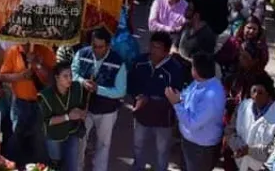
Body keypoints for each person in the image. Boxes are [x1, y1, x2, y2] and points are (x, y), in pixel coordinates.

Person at [128, 31, 185, 171]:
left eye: (158, 47)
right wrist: (138, 96)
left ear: (166, 51)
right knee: (138, 146)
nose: (153, 50)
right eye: (152, 46)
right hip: (141, 116)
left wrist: (150, 100)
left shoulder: (175, 69)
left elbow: (176, 96)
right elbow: (130, 84)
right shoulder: (139, 62)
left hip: (163, 121)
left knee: (162, 150)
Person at [71, 27, 126, 171]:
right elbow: (72, 73)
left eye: (100, 47)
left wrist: (98, 89)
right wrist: (82, 82)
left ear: (108, 46)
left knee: (103, 144)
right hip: (84, 108)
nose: (96, 50)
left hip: (107, 111)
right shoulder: (82, 54)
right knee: (80, 141)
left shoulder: (118, 62)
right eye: (94, 46)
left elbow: (120, 91)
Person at [166, 52, 226, 171]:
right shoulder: (199, 82)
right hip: (190, 142)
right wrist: (179, 98)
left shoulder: (211, 95)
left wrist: (176, 103)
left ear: (196, 70)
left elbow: (193, 123)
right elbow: (186, 96)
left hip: (201, 149)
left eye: (192, 66)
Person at [223, 72, 275, 171]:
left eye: (260, 92)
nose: (256, 95)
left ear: (269, 94)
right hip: (239, 164)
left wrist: (249, 151)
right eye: (254, 91)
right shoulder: (242, 107)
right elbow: (229, 131)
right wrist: (238, 146)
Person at [38, 61, 87, 171]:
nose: (69, 79)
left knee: (72, 165)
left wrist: (82, 113)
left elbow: (82, 108)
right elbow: (47, 121)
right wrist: (68, 117)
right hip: (54, 134)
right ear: (57, 78)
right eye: (65, 76)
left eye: (71, 75)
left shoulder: (76, 88)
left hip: (72, 131)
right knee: (56, 164)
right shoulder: (47, 95)